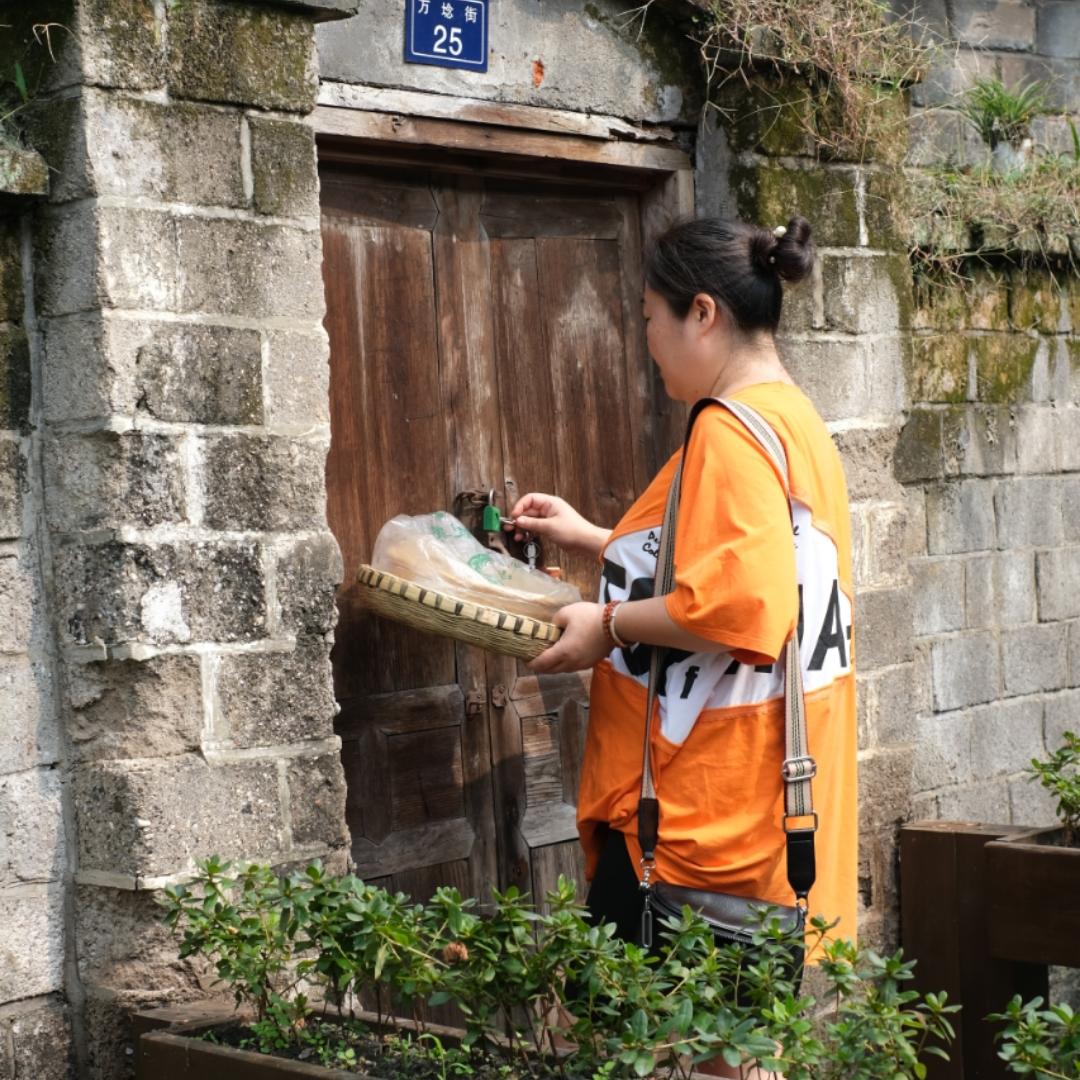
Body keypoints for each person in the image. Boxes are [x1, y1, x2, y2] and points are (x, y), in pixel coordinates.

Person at [507, 215, 857, 980]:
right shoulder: (794, 424)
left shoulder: (729, 433)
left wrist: (606, 624)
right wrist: (598, 538)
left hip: (695, 830)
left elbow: (738, 603)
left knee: (643, 1050)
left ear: (703, 313)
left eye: (648, 320)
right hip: (765, 821)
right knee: (739, 1056)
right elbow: (746, 566)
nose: (647, 342)